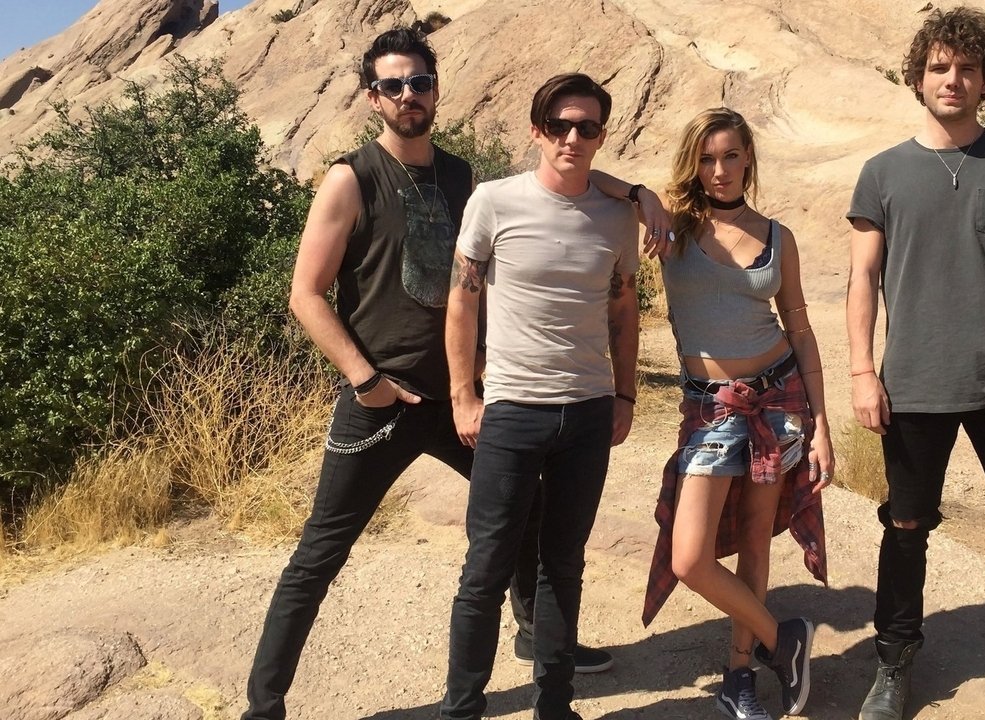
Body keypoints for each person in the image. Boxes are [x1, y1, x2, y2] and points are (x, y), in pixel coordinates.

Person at [240, 31, 645, 720]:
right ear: (373, 98)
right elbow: (305, 294)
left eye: (420, 82)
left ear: (435, 89)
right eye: (393, 85)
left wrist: (636, 191)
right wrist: (365, 379)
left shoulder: (463, 179)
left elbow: (560, 180)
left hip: (467, 398)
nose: (409, 95)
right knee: (321, 551)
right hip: (383, 400)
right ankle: (264, 704)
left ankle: (536, 635)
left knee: (529, 516)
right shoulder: (351, 178)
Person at [845, 8, 985, 720]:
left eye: (967, 68)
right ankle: (893, 664)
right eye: (940, 67)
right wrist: (862, 372)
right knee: (905, 526)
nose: (953, 80)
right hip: (913, 386)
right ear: (919, 78)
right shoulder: (882, 173)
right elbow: (862, 279)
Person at [440, 73, 641, 720]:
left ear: (602, 135)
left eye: (587, 126)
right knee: (486, 568)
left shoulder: (618, 216)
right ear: (537, 131)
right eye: (559, 125)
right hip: (512, 411)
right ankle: (461, 710)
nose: (572, 137)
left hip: (586, 411)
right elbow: (462, 302)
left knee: (563, 565)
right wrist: (463, 395)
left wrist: (626, 394)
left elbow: (623, 311)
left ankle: (555, 707)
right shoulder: (494, 201)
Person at [640, 107, 833, 720]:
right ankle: (784, 639)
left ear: (748, 157)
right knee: (690, 557)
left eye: (729, 156)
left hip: (779, 399)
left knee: (755, 537)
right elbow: (603, 189)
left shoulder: (778, 236)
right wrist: (641, 195)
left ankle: (739, 673)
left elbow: (800, 328)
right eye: (705, 158)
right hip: (711, 409)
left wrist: (822, 424)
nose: (719, 170)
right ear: (691, 164)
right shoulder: (672, 228)